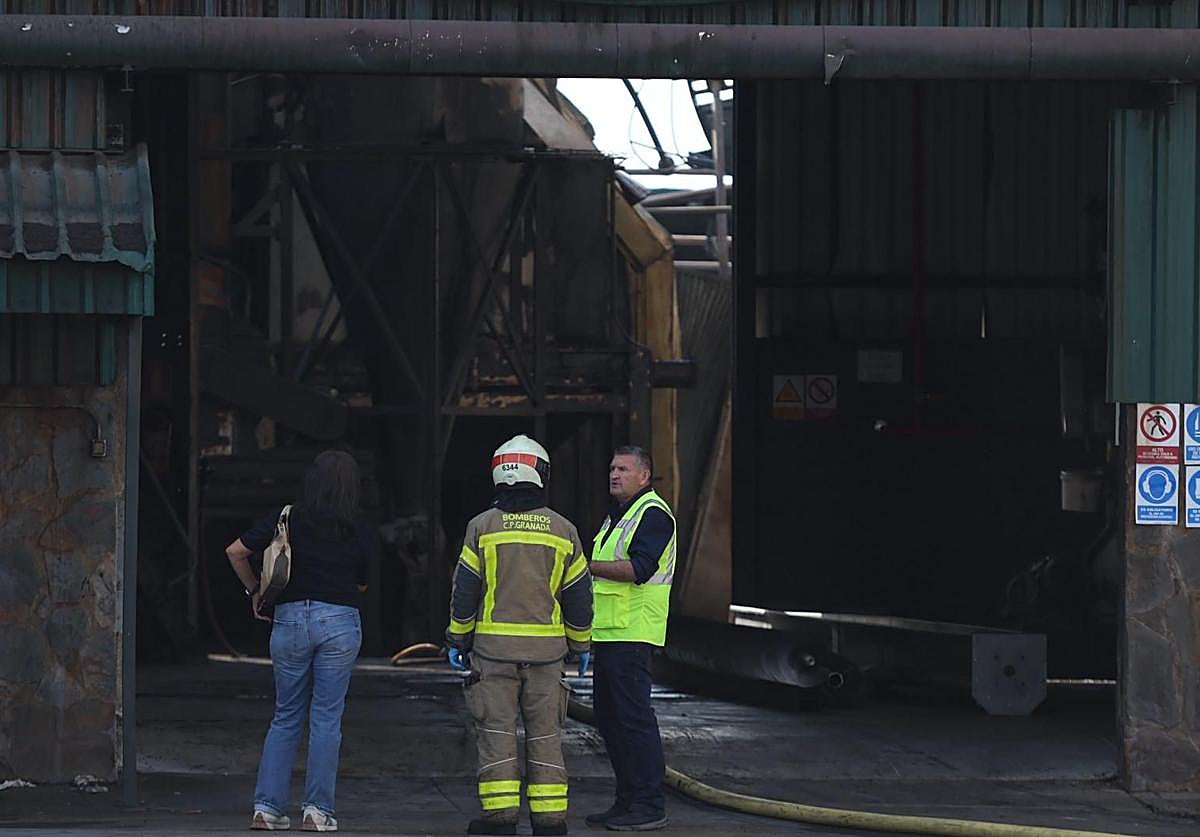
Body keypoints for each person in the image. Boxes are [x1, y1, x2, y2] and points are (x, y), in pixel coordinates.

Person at [446, 434, 593, 836]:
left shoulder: (482, 527)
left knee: (496, 733)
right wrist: (580, 645)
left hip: (493, 654)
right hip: (547, 657)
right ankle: (549, 822)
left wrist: (457, 640)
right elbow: (579, 597)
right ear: (541, 474)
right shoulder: (563, 530)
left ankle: (500, 819)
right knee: (546, 735)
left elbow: (466, 590)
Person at [225, 450, 373, 833]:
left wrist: (255, 590)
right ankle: (316, 812)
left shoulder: (286, 518)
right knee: (326, 717)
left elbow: (235, 552)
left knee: (286, 714)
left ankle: (267, 808)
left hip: (289, 621)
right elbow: (363, 581)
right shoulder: (357, 525)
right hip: (339, 622)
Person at [586, 445, 675, 832]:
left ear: (644, 475)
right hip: (609, 634)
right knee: (611, 719)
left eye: (623, 468)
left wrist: (585, 565)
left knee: (634, 720)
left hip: (633, 633)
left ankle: (649, 804)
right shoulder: (616, 517)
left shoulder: (653, 514)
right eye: (611, 467)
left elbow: (639, 568)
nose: (614, 474)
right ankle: (627, 801)